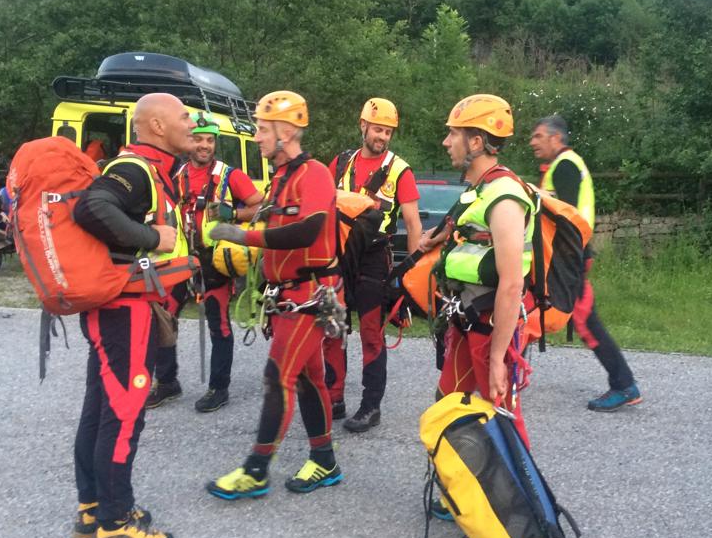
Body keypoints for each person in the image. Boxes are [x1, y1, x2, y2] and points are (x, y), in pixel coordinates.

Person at [70, 92, 195, 538]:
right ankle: (115, 525)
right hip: (125, 312)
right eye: (183, 116)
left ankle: (93, 509)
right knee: (123, 415)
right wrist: (152, 237)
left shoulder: (154, 171)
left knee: (100, 409)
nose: (191, 124)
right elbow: (91, 208)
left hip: (117, 310)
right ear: (157, 126)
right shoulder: (135, 169)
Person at [205, 90, 343, 499]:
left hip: (311, 295)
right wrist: (233, 216)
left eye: (264, 130)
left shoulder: (314, 174)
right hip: (288, 294)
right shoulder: (280, 178)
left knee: (277, 376)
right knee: (309, 378)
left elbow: (308, 230)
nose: (257, 137)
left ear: (286, 132)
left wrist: (242, 235)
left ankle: (256, 470)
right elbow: (272, 219)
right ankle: (324, 460)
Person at [419, 94, 536, 445]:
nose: (446, 142)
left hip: (490, 327)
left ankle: (516, 484)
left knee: (503, 422)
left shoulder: (505, 196)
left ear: (475, 142)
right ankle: (456, 478)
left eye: (453, 134)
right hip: (465, 319)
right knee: (448, 408)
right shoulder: (479, 189)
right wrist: (436, 237)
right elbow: (463, 230)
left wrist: (498, 358)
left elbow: (512, 284)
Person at [146, 115, 264, 412]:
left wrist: (233, 214)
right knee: (163, 317)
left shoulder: (230, 176)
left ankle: (218, 388)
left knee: (218, 323)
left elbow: (261, 207)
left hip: (213, 263)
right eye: (198, 139)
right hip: (179, 260)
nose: (204, 145)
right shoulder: (175, 175)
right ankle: (167, 382)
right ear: (189, 141)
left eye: (210, 140)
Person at [529, 114, 642, 412]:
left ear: (555, 138)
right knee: (534, 306)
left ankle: (624, 385)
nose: (532, 142)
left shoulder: (565, 165)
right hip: (571, 255)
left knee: (584, 321)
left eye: (538, 136)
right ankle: (508, 371)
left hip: (570, 257)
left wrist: (533, 195)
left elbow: (566, 215)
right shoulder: (564, 164)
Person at [323, 98, 421, 432]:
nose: (383, 137)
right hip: (339, 255)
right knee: (332, 329)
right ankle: (334, 397)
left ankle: (370, 406)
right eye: (378, 129)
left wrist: (410, 275)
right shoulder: (341, 163)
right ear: (363, 125)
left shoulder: (400, 170)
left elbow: (413, 224)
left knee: (370, 334)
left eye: (388, 132)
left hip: (375, 258)